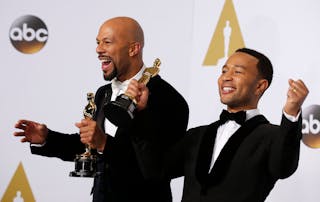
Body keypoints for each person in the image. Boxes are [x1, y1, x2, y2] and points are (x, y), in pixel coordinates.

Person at [13, 16, 189, 202]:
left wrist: (105, 144)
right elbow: (91, 147)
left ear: (133, 49)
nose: (98, 49)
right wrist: (47, 138)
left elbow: (156, 167)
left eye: (107, 42)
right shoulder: (103, 93)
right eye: (98, 43)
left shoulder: (169, 100)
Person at [131, 48, 309, 202]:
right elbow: (155, 170)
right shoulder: (197, 136)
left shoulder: (271, 136)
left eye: (237, 72)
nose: (226, 77)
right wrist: (141, 114)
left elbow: (283, 167)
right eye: (224, 71)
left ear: (260, 86)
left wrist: (291, 113)